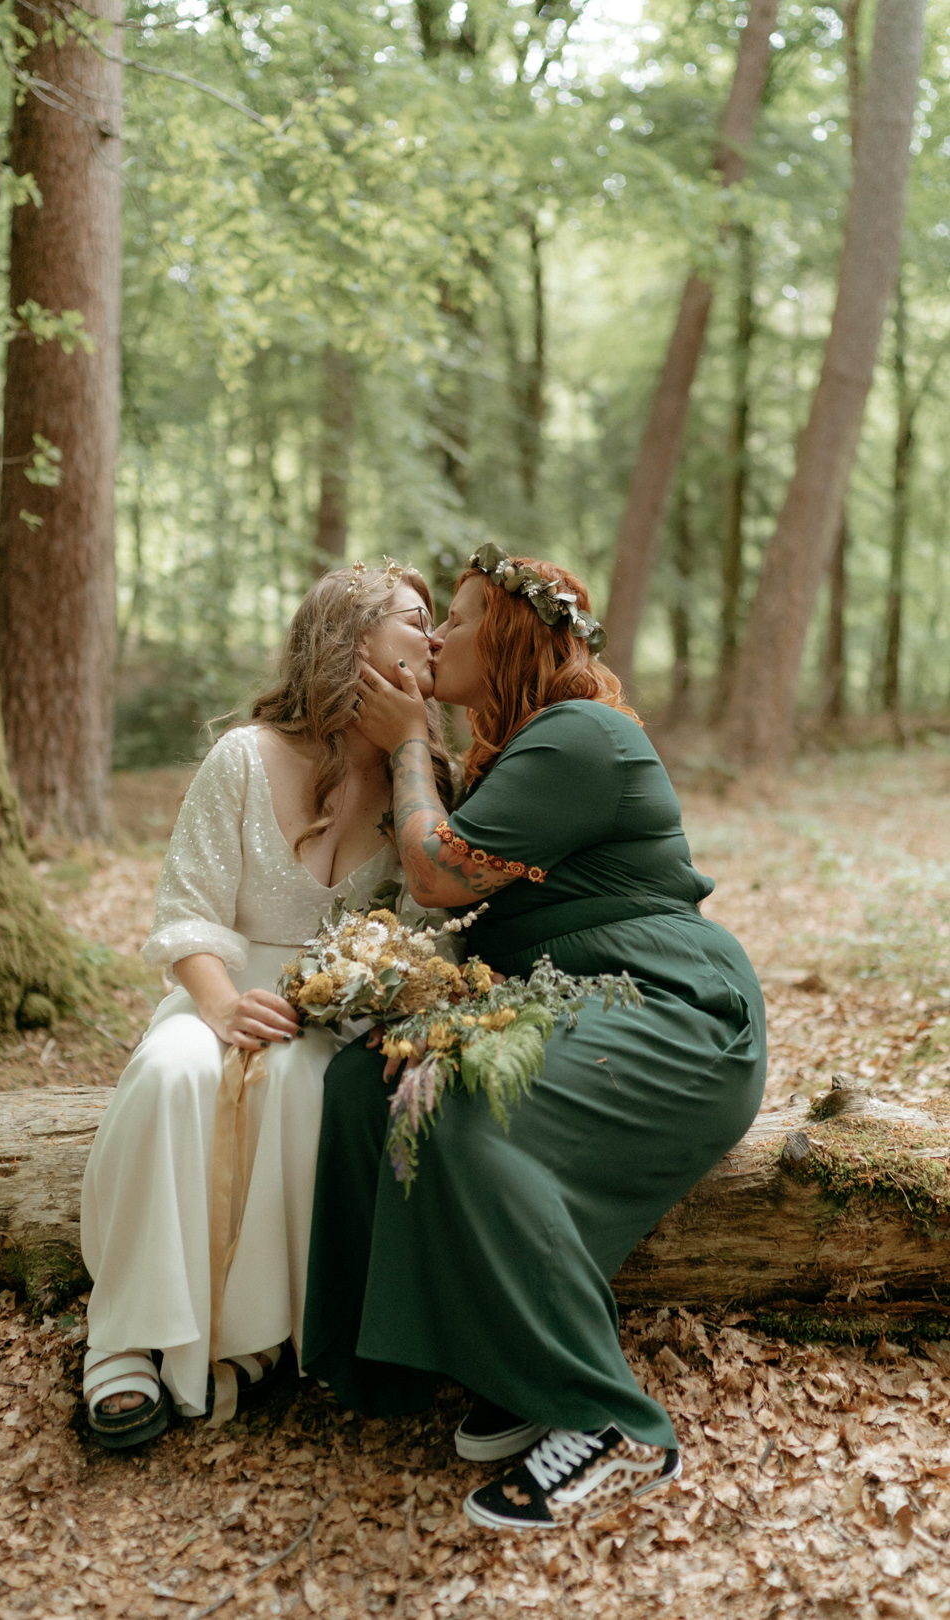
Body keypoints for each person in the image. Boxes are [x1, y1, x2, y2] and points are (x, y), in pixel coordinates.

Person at [303, 543, 766, 1531]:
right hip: (568, 1000)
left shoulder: (580, 736)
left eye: (459, 618)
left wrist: (406, 747)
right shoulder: (519, 754)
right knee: (363, 1081)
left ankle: (612, 1423)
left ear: (512, 635)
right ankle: (453, 1356)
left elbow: (439, 872)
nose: (435, 636)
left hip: (669, 1007)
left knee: (465, 1103)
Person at [79, 561, 453, 1449]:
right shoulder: (242, 758)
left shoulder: (422, 783)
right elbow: (187, 916)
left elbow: (422, 938)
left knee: (305, 1087)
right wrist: (217, 1008)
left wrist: (367, 999)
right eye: (415, 619)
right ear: (353, 638)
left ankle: (251, 1339)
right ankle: (126, 1343)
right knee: (171, 1074)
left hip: (337, 1017)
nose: (435, 640)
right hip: (219, 989)